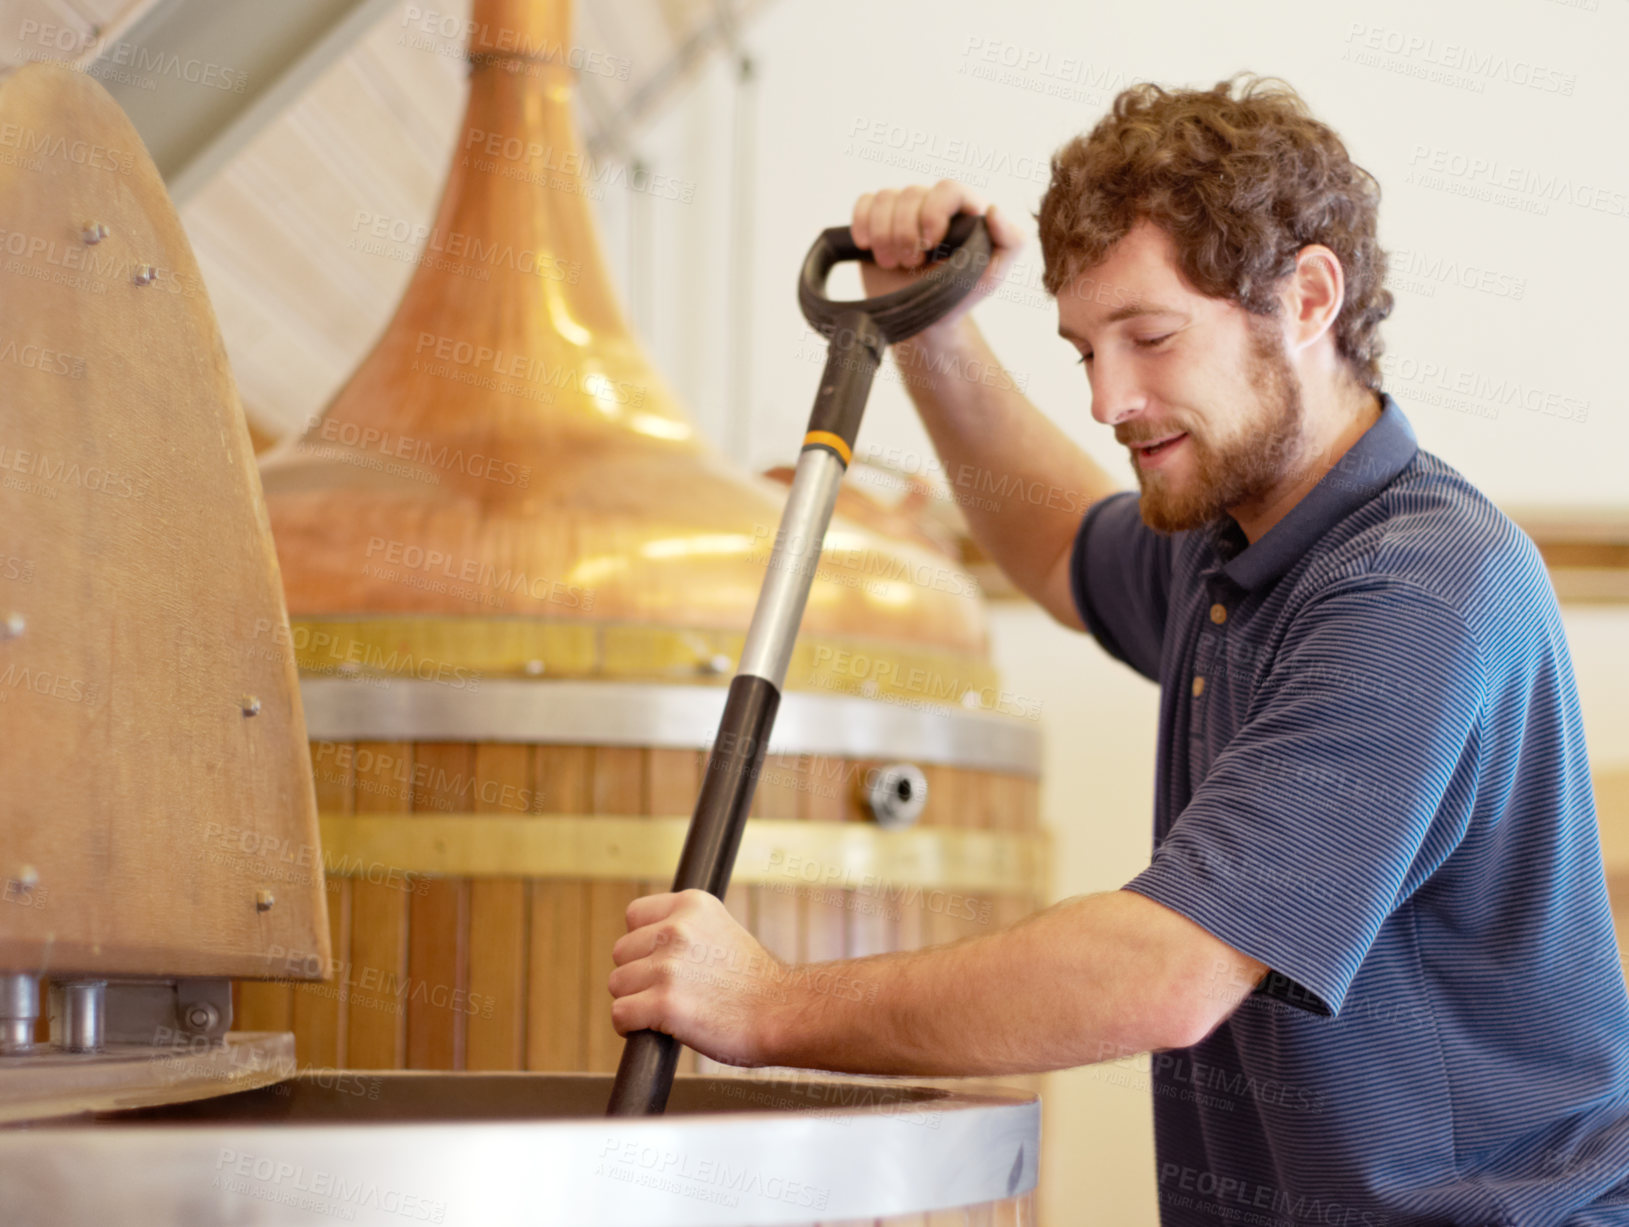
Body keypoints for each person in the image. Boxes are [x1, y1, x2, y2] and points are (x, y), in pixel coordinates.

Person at [609, 74, 1629, 1223]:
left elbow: (1168, 971)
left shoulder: (1415, 591)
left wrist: (768, 1008)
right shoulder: (1236, 530)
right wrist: (928, 325)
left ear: (1308, 296)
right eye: (1083, 351)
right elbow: (1054, 549)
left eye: (1148, 337)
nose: (1108, 401)